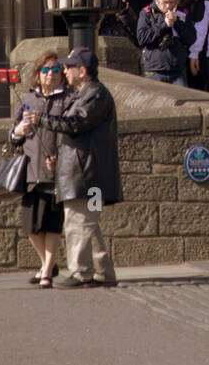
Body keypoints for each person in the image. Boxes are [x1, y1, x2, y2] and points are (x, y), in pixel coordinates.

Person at [18, 47, 123, 289]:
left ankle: (80, 272)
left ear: (83, 71)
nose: (64, 71)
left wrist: (41, 119)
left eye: (68, 67)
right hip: (81, 170)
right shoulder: (84, 93)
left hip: (86, 172)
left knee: (78, 223)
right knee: (89, 223)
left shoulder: (95, 94)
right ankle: (103, 272)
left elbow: (76, 123)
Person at [8, 51, 69, 288]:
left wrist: (61, 157)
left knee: (52, 223)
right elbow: (12, 136)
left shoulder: (66, 100)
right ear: (37, 75)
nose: (50, 75)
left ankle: (46, 271)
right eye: (46, 71)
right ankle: (47, 264)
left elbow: (72, 132)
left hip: (55, 170)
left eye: (55, 71)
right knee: (31, 225)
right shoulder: (27, 100)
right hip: (31, 170)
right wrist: (18, 133)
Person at [137, 0, 197, 86]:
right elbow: (142, 38)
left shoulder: (182, 13)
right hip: (154, 70)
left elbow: (191, 38)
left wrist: (176, 22)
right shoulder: (147, 13)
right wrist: (164, 25)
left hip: (177, 70)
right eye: (165, 2)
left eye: (172, 2)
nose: (168, 6)